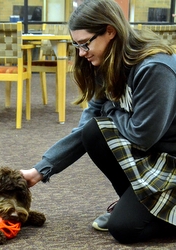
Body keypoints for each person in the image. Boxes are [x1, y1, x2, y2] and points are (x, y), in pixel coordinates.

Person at [20, 0, 176, 244]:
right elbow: (87, 126)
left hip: (170, 161)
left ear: (110, 31)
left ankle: (158, 214)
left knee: (124, 230)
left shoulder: (154, 67)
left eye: (85, 44)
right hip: (154, 155)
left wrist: (110, 111)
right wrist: (39, 170)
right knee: (93, 132)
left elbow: (142, 135)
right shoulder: (108, 64)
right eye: (77, 45)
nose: (81, 52)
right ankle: (138, 205)